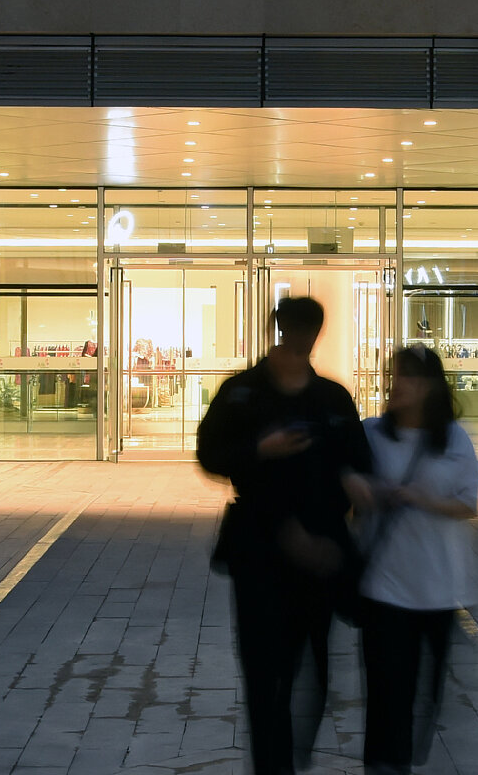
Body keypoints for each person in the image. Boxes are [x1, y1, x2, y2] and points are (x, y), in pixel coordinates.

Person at [197, 294, 371, 774]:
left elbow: (358, 460)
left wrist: (352, 484)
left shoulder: (330, 398)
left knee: (312, 665)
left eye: (308, 332)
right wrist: (260, 449)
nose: (301, 340)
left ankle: (290, 755)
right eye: (295, 331)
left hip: (319, 550)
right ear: (282, 331)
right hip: (259, 548)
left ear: (315, 335)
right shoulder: (243, 392)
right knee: (264, 670)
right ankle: (273, 766)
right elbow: (210, 454)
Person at [350, 345, 478, 775]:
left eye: (406, 376)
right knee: (386, 694)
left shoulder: (454, 439)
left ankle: (400, 759)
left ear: (429, 387)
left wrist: (423, 499)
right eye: (394, 374)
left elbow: (469, 503)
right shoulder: (371, 433)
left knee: (426, 695)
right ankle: (385, 765)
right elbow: (341, 478)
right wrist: (356, 487)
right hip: (383, 586)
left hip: (439, 590)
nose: (396, 384)